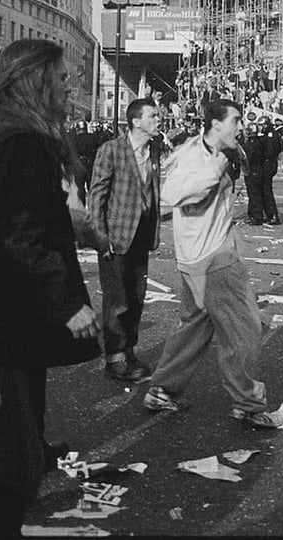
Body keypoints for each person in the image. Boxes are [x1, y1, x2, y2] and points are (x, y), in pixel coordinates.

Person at [0, 39, 101, 536]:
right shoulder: (20, 140)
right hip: (6, 310)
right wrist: (69, 303)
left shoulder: (3, 131)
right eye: (60, 79)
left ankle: (16, 464)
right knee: (7, 449)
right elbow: (18, 235)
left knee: (8, 425)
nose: (69, 86)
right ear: (37, 80)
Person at [142, 99, 283, 429]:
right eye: (235, 120)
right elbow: (172, 194)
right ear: (216, 125)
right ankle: (248, 403)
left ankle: (162, 389)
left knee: (195, 325)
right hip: (212, 260)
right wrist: (213, 172)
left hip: (198, 257)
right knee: (246, 328)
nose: (241, 126)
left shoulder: (218, 152)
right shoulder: (198, 157)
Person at [88, 98, 163, 382]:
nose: (158, 119)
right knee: (117, 300)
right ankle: (115, 358)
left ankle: (128, 350)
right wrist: (99, 233)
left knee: (136, 296)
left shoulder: (153, 150)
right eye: (153, 116)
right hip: (117, 236)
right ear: (135, 121)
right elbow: (97, 194)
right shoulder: (112, 150)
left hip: (142, 236)